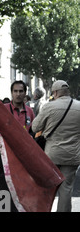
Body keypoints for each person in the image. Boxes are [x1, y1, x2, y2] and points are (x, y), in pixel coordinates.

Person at [31, 80, 80, 212]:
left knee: (46, 188)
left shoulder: (49, 107)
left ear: (56, 92)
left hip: (52, 155)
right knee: (66, 190)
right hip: (72, 155)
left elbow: (35, 127)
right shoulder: (79, 106)